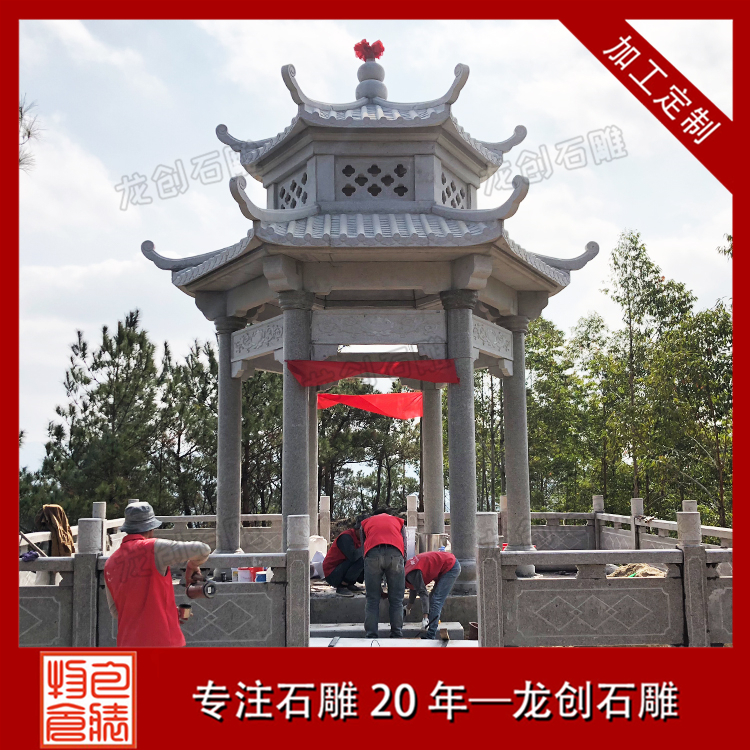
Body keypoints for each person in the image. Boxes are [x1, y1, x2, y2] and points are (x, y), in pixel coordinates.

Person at [104, 502, 211, 647]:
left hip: (128, 645)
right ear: (151, 528)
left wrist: (164, 611)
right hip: (163, 643)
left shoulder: (110, 562)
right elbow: (203, 549)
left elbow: (116, 611)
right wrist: (192, 566)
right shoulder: (155, 549)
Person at [359, 510, 407, 639]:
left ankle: (371, 635)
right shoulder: (398, 522)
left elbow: (364, 547)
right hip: (395, 554)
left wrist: (368, 564)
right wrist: (403, 562)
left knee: (372, 599)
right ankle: (397, 634)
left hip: (372, 555)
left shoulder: (366, 523)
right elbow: (404, 543)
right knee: (396, 600)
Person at [405, 550, 461, 639]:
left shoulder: (411, 574)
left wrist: (425, 618)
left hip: (451, 566)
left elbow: (423, 593)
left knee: (436, 601)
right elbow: (414, 588)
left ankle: (430, 635)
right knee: (432, 600)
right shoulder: (407, 571)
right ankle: (430, 631)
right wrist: (408, 607)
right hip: (443, 564)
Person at [323, 524, 365, 597]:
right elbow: (353, 556)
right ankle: (343, 586)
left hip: (342, 568)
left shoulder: (359, 538)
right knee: (361, 559)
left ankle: (350, 584)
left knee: (367, 558)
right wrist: (367, 546)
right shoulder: (346, 537)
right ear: (358, 530)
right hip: (332, 573)